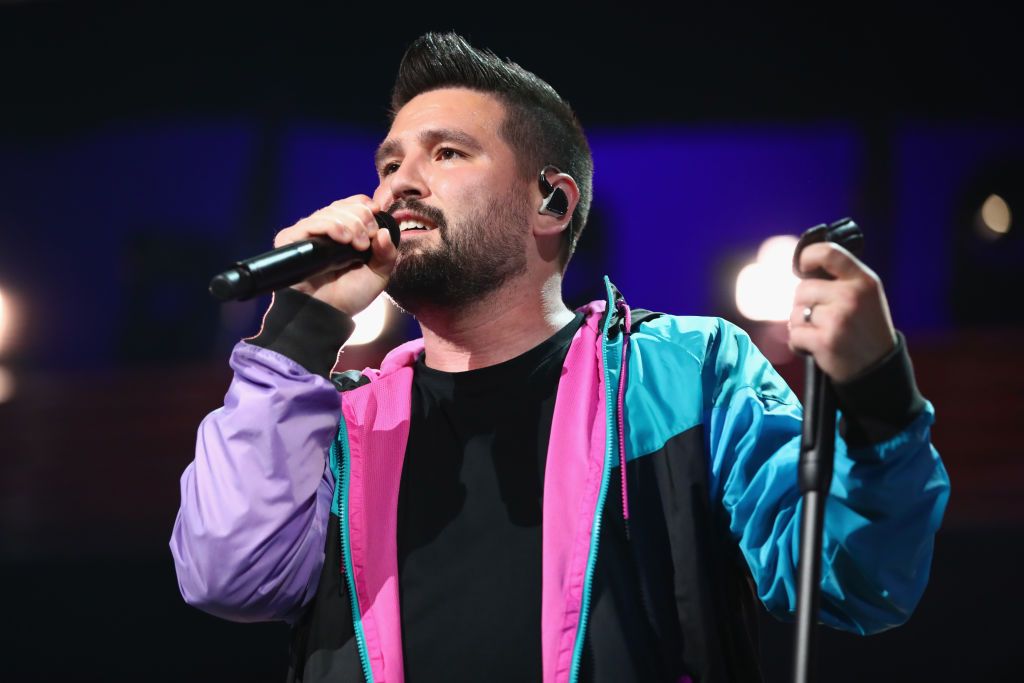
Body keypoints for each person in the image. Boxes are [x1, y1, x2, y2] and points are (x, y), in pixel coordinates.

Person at [171, 32, 950, 683]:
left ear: (554, 202)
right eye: (387, 163)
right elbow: (227, 572)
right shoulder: (336, 421)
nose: (398, 185)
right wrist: (300, 328)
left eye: (445, 153)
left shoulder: (684, 373)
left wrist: (878, 393)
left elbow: (854, 578)